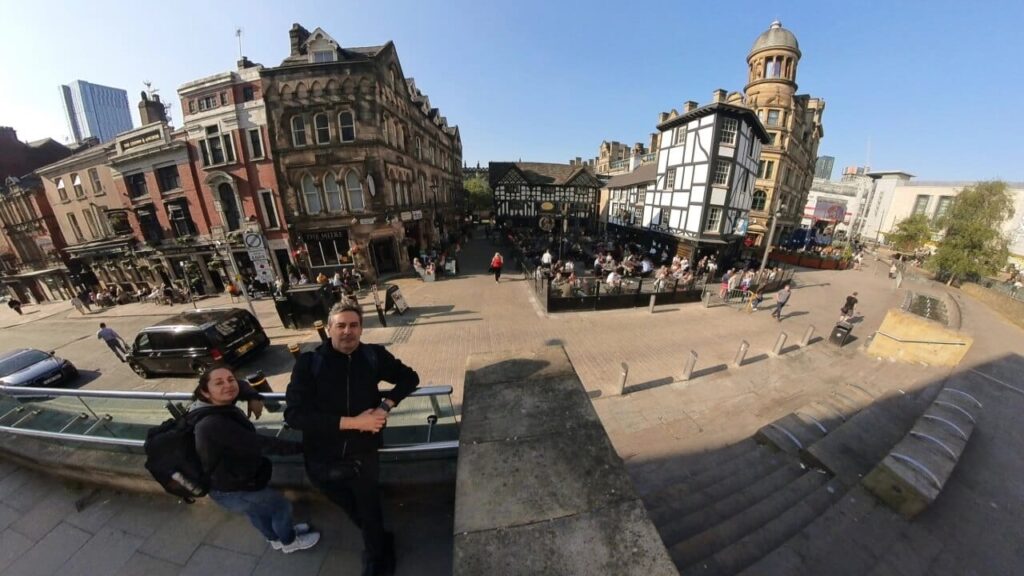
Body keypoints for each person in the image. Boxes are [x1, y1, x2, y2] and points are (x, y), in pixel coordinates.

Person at [285, 302, 419, 576]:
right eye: (341, 325)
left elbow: (409, 377)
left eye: (354, 325)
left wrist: (385, 406)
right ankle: (378, 536)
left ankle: (377, 554)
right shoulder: (310, 364)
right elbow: (295, 415)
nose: (348, 331)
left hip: (363, 454)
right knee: (348, 505)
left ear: (361, 328)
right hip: (321, 456)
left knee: (369, 509)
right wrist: (355, 422)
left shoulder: (373, 356)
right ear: (329, 328)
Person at [190, 366, 320, 554]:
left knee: (257, 511)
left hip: (229, 481)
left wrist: (253, 396)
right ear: (205, 391)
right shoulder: (213, 424)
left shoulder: (203, 406)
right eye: (219, 383)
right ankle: (289, 541)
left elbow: (240, 385)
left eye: (230, 379)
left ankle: (274, 538)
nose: (228, 385)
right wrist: (306, 448)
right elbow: (262, 444)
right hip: (231, 489)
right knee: (280, 506)